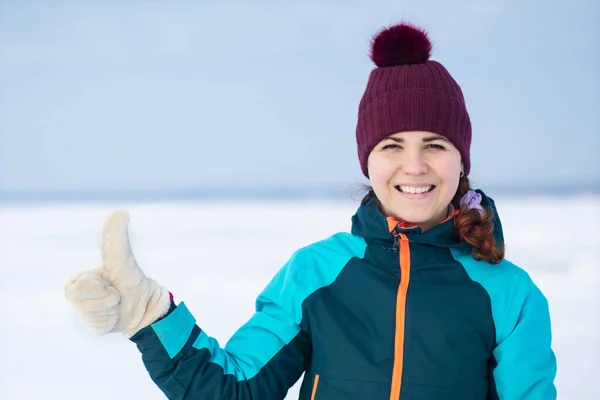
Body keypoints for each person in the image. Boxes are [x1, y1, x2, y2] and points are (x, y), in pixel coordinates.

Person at [64, 21, 557, 399]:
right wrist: (151, 316)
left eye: (435, 144)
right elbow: (237, 389)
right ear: (368, 160)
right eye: (391, 145)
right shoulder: (317, 272)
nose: (414, 165)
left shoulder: (509, 295)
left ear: (461, 158)